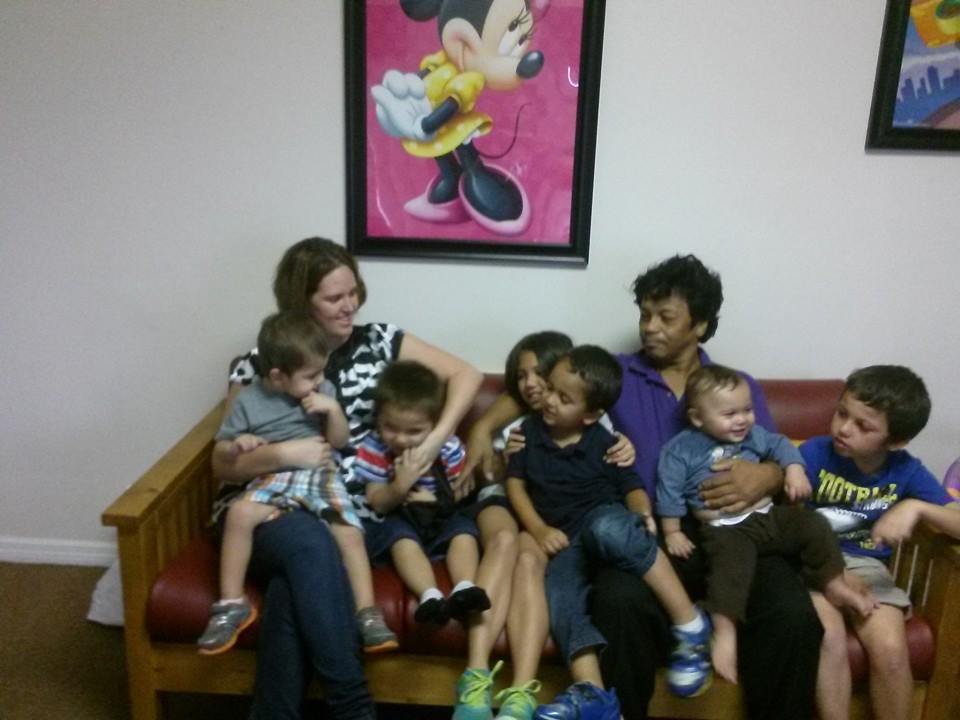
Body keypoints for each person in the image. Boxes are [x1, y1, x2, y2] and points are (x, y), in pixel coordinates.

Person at [211, 237, 483, 720]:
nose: (349, 305)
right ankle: (353, 705)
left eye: (353, 291)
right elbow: (223, 461)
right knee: (310, 544)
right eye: (334, 297)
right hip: (268, 506)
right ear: (300, 303)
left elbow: (466, 375)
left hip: (349, 510)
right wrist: (282, 452)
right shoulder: (263, 362)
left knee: (294, 581)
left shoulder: (380, 340)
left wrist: (433, 442)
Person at [592, 254, 823, 720]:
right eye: (644, 314)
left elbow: (775, 453)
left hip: (741, 533)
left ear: (699, 324)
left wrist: (769, 475)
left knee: (792, 614)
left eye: (665, 317)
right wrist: (486, 431)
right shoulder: (615, 375)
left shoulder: (736, 386)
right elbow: (539, 387)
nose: (649, 327)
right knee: (616, 601)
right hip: (656, 537)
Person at [507, 345, 712, 718]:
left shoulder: (605, 442)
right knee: (559, 595)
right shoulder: (528, 434)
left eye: (563, 398)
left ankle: (689, 621)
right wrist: (538, 529)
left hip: (603, 520)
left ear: (590, 415)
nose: (549, 400)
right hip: (564, 540)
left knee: (606, 528)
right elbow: (516, 486)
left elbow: (631, 486)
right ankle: (594, 693)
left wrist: (641, 512)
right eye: (550, 388)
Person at [656, 364, 874, 683]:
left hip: (768, 516)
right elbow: (669, 489)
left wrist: (795, 471)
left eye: (747, 410)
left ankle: (833, 582)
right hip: (725, 528)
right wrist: (672, 531)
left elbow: (781, 445)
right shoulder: (680, 449)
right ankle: (725, 632)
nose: (742, 419)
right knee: (730, 569)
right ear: (698, 418)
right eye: (730, 414)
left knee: (813, 523)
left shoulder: (755, 436)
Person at [458, 331, 636, 720]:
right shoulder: (521, 419)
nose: (532, 384)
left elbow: (611, 454)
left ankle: (521, 695)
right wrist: (493, 448)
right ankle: (475, 678)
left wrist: (626, 448)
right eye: (522, 376)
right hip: (510, 503)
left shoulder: (583, 415)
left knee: (529, 561)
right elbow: (495, 474)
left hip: (552, 519)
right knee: (507, 540)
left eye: (541, 375)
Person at [199, 311, 396, 655]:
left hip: (319, 473)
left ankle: (367, 613)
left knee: (350, 533)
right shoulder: (248, 400)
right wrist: (239, 444)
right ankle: (231, 603)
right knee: (240, 514)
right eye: (311, 375)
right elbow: (224, 448)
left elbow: (338, 442)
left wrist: (333, 411)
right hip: (272, 476)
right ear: (277, 377)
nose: (320, 380)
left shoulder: (325, 392)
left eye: (321, 372)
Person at [802, 365, 960, 720]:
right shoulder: (814, 453)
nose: (844, 428)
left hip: (868, 568)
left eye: (864, 426)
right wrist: (830, 570)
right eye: (842, 413)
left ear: (895, 441)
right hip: (814, 562)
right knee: (827, 637)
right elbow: (787, 519)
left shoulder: (906, 471)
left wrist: (916, 507)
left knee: (890, 650)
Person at [356, 360, 490, 625]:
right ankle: (430, 596)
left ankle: (465, 588)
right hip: (400, 518)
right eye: (390, 427)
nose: (400, 439)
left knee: (463, 532)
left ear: (435, 425)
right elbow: (377, 502)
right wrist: (400, 485)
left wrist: (437, 501)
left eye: (414, 431)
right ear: (378, 419)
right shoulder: (374, 448)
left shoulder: (448, 448)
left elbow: (462, 492)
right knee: (399, 538)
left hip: (441, 516)